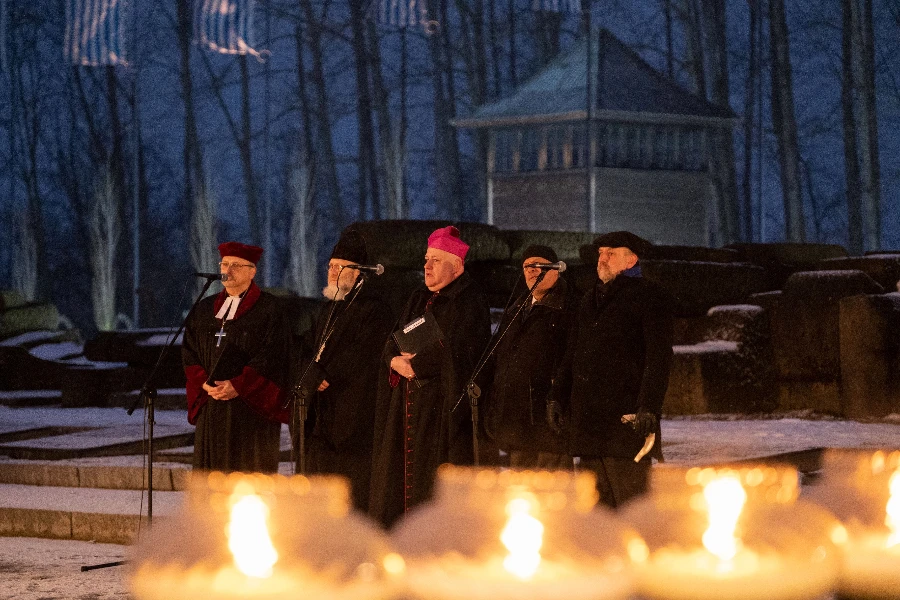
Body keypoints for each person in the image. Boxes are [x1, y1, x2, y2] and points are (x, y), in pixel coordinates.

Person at [369, 226, 491, 527]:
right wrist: (393, 360)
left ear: (457, 266)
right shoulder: (416, 298)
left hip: (440, 410)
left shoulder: (470, 300)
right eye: (426, 259)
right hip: (407, 407)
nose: (426, 266)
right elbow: (392, 340)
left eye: (435, 260)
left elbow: (463, 350)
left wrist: (418, 365)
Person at [549, 231, 673, 508]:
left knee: (631, 508)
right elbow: (573, 353)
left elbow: (659, 357)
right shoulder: (589, 299)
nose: (602, 259)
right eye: (601, 253)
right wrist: (558, 396)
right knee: (595, 513)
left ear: (631, 261)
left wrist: (649, 407)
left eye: (611, 253)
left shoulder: (648, 296)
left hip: (625, 423)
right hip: (589, 424)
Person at [295, 231, 394, 511]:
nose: (332, 272)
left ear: (359, 273)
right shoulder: (326, 310)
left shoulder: (376, 311)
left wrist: (325, 374)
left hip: (354, 421)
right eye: (330, 266)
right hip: (322, 421)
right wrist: (310, 374)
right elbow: (305, 349)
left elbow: (363, 355)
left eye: (340, 267)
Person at [182, 242, 289, 473]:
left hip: (250, 409)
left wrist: (238, 385)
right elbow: (189, 351)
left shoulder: (270, 309)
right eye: (224, 264)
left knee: (248, 476)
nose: (227, 270)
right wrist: (204, 383)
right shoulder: (203, 309)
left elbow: (274, 354)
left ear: (252, 271)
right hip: (212, 406)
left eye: (236, 265)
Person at [484, 245, 573, 470]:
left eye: (538, 265)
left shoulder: (568, 307)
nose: (532, 270)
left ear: (555, 270)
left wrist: (558, 397)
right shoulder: (516, 310)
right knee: (521, 488)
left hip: (547, 418)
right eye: (526, 267)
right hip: (518, 419)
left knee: (552, 488)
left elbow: (570, 358)